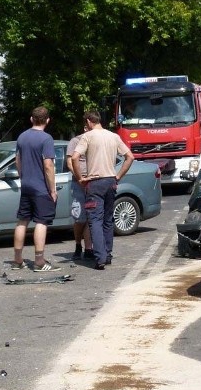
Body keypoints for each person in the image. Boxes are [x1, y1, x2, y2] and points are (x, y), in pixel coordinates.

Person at [71, 110, 134, 270]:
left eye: (86, 124)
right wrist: (118, 176)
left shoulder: (88, 136)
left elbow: (74, 157)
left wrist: (80, 178)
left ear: (89, 122)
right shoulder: (113, 136)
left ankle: (100, 258)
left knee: (95, 221)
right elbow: (130, 157)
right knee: (108, 220)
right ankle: (108, 254)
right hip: (111, 181)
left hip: (95, 182)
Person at [11, 106, 60, 271]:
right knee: (41, 222)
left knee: (22, 220)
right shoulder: (46, 139)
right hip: (41, 188)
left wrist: (22, 176)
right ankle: (39, 261)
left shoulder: (22, 137)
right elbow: (48, 165)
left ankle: (17, 260)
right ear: (47, 120)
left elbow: (17, 160)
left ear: (31, 119)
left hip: (26, 186)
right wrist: (52, 190)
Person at [66, 123, 94, 260]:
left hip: (93, 182)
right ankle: (78, 244)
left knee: (90, 217)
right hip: (78, 183)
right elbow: (70, 162)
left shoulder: (95, 141)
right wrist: (80, 177)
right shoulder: (75, 141)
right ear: (85, 128)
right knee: (80, 217)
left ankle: (88, 249)